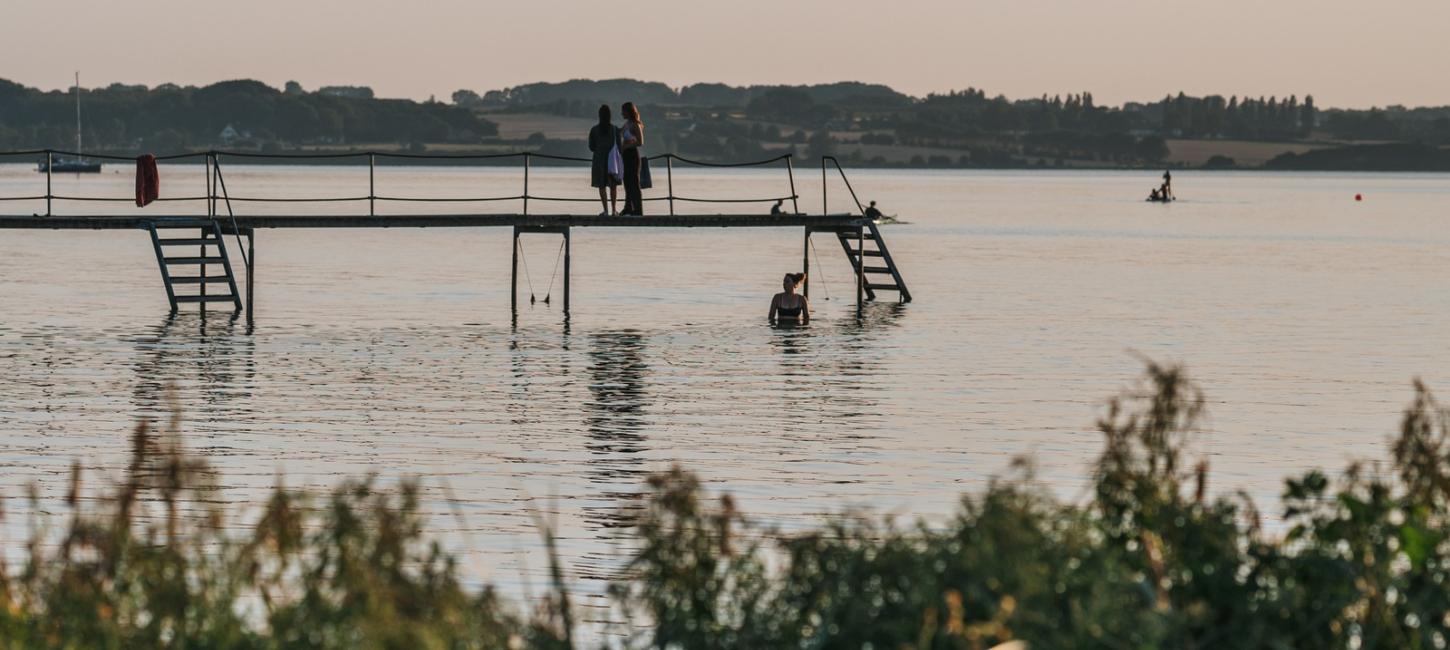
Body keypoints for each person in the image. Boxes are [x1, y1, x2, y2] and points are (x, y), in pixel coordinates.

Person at [587, 104, 620, 215]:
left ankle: (605, 210)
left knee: (601, 186)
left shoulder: (594, 130)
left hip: (599, 161)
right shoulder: (615, 130)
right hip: (612, 162)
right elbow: (619, 147)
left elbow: (591, 147)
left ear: (599, 115)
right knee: (613, 185)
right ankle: (614, 210)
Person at [619, 102, 646, 216]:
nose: (621, 113)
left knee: (634, 183)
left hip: (633, 155)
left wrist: (626, 146)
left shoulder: (635, 124)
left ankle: (638, 210)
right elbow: (618, 134)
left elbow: (640, 142)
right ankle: (628, 208)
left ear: (628, 111)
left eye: (623, 111)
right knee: (626, 182)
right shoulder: (626, 124)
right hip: (625, 156)